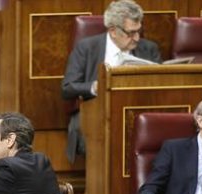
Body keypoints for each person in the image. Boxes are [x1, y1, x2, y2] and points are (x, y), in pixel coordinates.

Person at [61, 0, 161, 163]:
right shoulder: (87, 48)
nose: (136, 38)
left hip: (139, 112)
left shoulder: (149, 49)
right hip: (96, 112)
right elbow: (67, 88)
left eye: (139, 31)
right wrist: (94, 86)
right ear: (113, 31)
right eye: (130, 33)